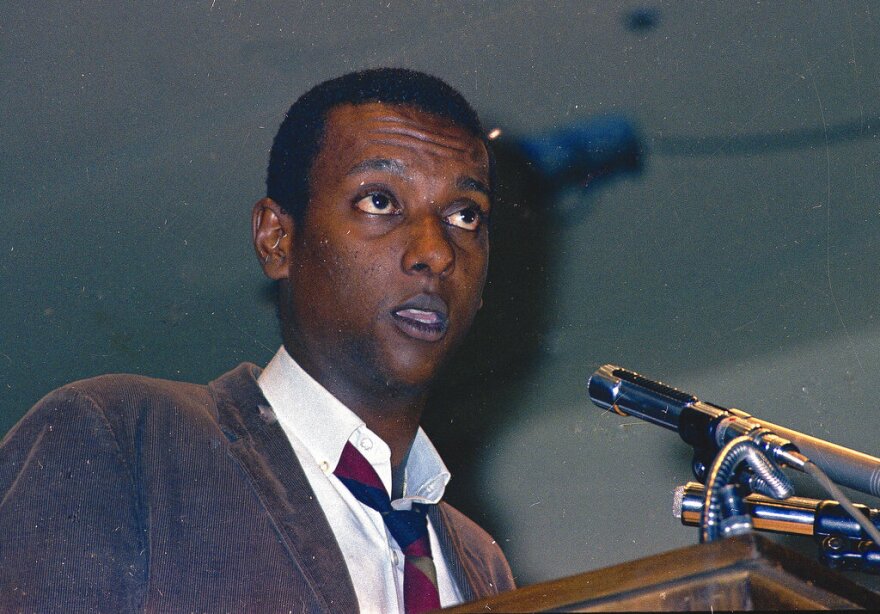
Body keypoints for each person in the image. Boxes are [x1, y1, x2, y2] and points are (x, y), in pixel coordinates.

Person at [0, 68, 515, 612]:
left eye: (465, 215)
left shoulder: (483, 565)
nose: (435, 252)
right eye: (379, 202)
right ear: (276, 240)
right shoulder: (121, 437)